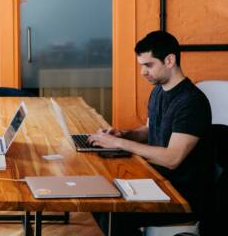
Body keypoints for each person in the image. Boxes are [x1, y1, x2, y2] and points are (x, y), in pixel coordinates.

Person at [88, 30, 214, 236]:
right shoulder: (159, 91)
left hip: (181, 194)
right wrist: (123, 135)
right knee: (98, 199)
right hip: (156, 179)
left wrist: (119, 144)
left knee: (112, 211)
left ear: (170, 60)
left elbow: (172, 158)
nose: (143, 72)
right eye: (141, 66)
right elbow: (150, 130)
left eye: (148, 65)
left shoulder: (192, 102)